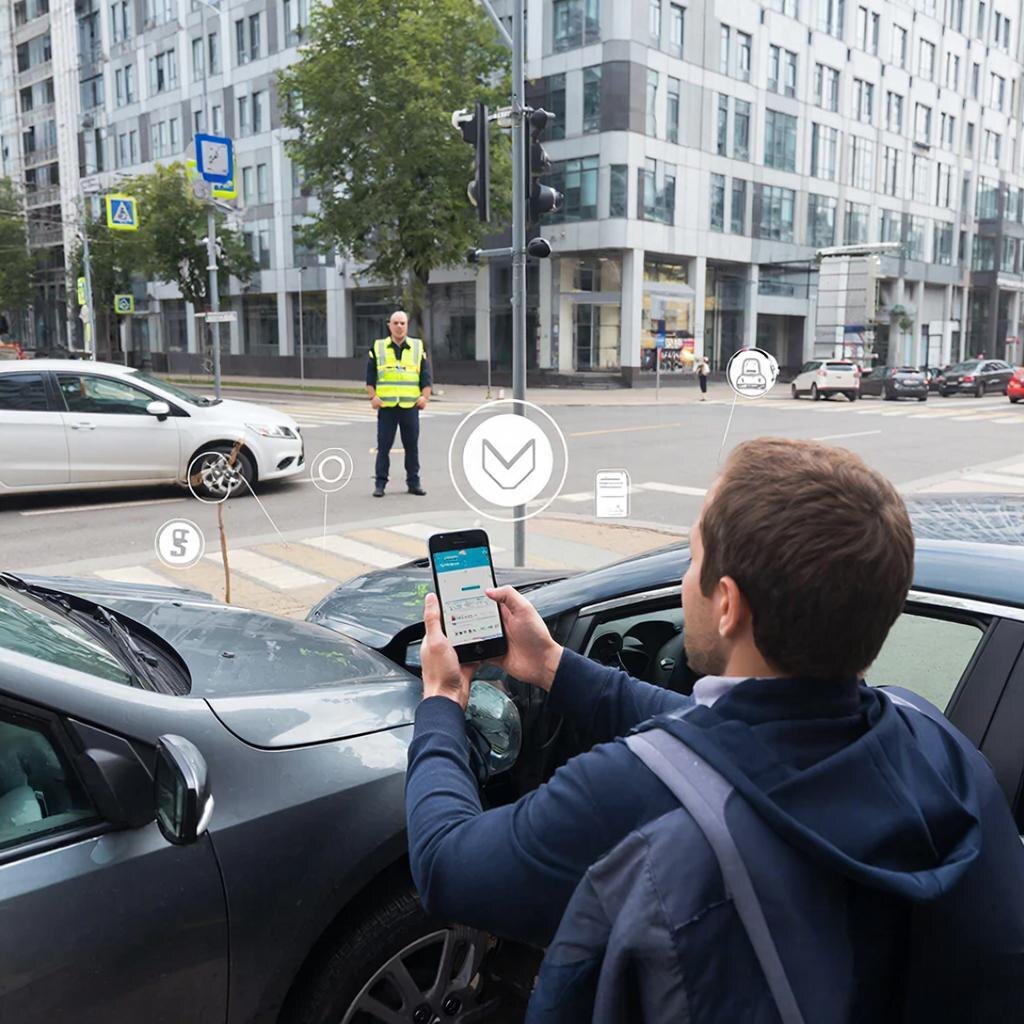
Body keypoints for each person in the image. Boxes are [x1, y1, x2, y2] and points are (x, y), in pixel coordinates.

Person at [405, 437, 1024, 1023]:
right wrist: (550, 664)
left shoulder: (625, 794)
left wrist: (441, 701)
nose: (684, 579)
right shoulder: (936, 743)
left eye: (693, 557)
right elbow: (721, 737)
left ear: (727, 604)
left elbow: (445, 867)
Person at [365, 310, 431, 497]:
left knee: (412, 447)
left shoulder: (417, 347)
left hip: (410, 407)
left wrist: (425, 397)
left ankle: (414, 483)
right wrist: (373, 397)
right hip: (387, 407)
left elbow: (425, 375)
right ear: (389, 325)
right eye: (395, 323)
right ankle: (380, 484)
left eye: (402, 323)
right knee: (383, 447)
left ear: (407, 325)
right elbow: (370, 376)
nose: (399, 326)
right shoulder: (379, 347)